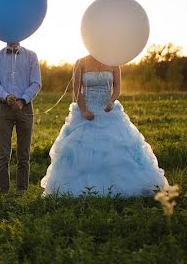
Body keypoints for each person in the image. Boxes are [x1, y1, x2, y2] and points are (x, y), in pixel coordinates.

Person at [40, 54, 168, 197]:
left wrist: (111, 101)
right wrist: (83, 110)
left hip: (108, 110)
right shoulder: (81, 62)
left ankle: (117, 186)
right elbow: (77, 90)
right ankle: (84, 188)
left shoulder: (114, 62)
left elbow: (117, 88)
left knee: (116, 149)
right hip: (87, 110)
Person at [0, 41, 41, 195]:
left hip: (25, 108)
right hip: (4, 107)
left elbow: (36, 83)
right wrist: (6, 97)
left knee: (23, 153)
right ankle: (3, 191)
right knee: (3, 153)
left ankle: (22, 191)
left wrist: (22, 100)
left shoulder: (31, 56)